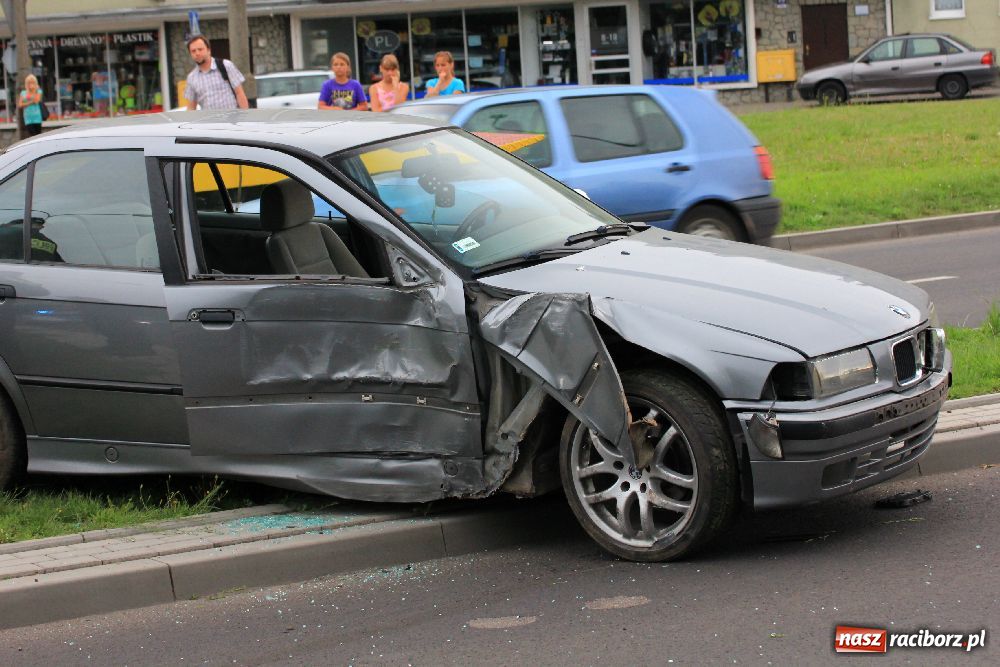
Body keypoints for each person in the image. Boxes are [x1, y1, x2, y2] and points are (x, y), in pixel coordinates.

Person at [184, 35, 250, 110]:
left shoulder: (226, 66)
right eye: (193, 51)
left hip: (231, 116)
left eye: (200, 49)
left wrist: (245, 115)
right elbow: (191, 107)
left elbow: (239, 93)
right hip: (210, 118)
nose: (197, 53)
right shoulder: (191, 78)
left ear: (208, 50)